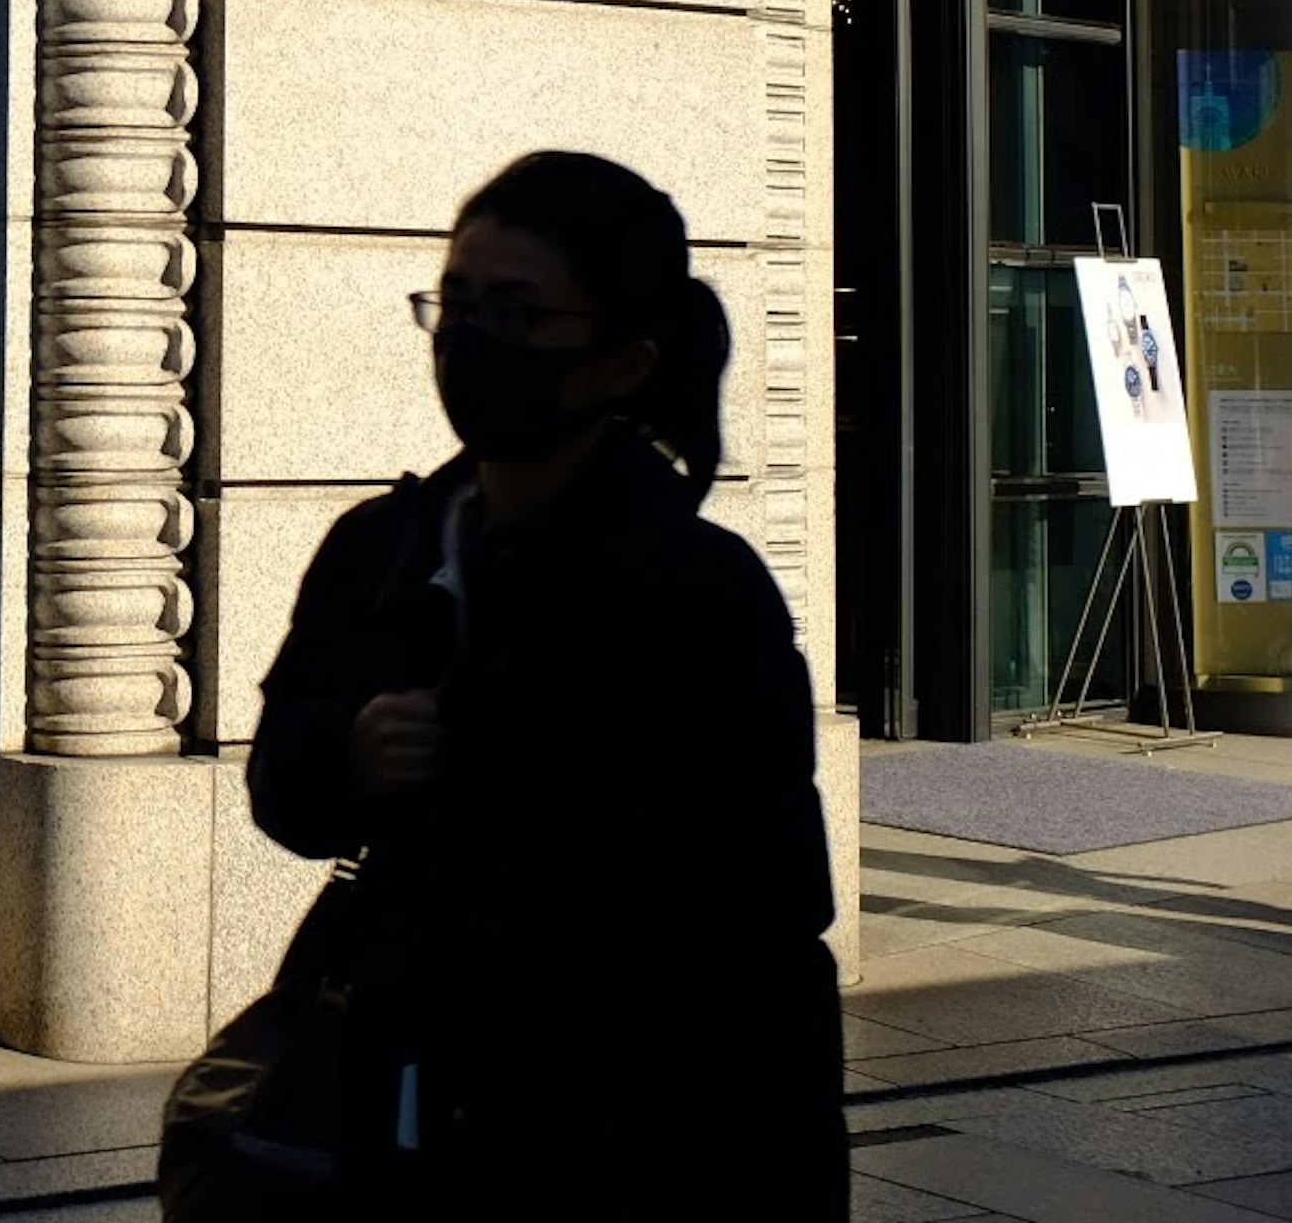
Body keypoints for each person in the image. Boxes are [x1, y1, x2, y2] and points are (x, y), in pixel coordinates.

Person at [235, 150, 846, 1217]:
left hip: (615, 1139)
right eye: (456, 303)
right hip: (395, 1113)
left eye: (518, 314)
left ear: (621, 360)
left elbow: (767, 930)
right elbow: (281, 785)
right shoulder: (379, 547)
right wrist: (352, 750)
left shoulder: (698, 592)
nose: (472, 340)